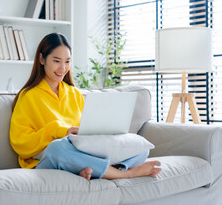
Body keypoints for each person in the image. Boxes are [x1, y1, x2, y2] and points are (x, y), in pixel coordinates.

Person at [10, 33, 161, 181]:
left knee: (140, 147)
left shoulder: (74, 94)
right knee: (57, 148)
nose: (63, 68)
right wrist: (60, 131)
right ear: (42, 59)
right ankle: (124, 174)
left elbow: (86, 129)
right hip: (48, 158)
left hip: (81, 151)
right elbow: (20, 143)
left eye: (67, 61)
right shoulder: (28, 96)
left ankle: (87, 169)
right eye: (57, 61)